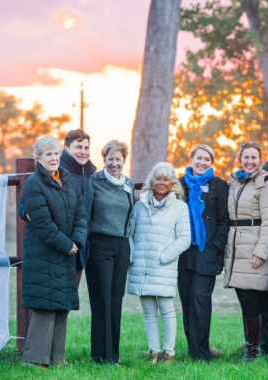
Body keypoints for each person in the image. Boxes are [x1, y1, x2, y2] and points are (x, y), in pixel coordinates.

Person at [19, 135, 87, 367]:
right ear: (38, 158)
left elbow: (80, 213)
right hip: (45, 251)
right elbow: (43, 224)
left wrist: (76, 239)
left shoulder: (67, 179)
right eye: (48, 154)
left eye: (56, 153)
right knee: (45, 306)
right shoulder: (34, 184)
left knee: (61, 306)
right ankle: (35, 359)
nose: (54, 158)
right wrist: (66, 244)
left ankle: (57, 358)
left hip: (67, 250)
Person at [127, 162, 191, 364]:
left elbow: (184, 238)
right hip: (141, 265)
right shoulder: (140, 205)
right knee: (148, 310)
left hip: (164, 265)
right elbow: (130, 232)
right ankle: (153, 352)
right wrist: (133, 255)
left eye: (166, 179)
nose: (161, 182)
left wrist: (164, 256)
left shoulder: (179, 207)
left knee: (166, 308)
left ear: (173, 183)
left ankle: (169, 353)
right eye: (158, 178)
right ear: (151, 181)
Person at [224, 142, 268, 362]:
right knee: (247, 302)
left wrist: (261, 251)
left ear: (260, 159)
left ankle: (253, 350)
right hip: (236, 247)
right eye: (246, 157)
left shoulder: (265, 182)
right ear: (240, 159)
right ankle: (256, 347)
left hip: (255, 247)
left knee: (253, 302)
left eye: (254, 157)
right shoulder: (235, 182)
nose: (249, 161)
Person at [178, 145, 229, 362]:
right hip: (183, 253)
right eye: (199, 158)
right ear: (191, 160)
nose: (202, 162)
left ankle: (202, 351)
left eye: (207, 159)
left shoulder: (218, 186)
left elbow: (224, 220)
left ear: (211, 162)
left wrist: (215, 246)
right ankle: (193, 348)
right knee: (187, 301)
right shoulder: (180, 184)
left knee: (200, 300)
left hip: (206, 252)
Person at [85, 140, 134, 364]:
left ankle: (113, 355)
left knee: (116, 300)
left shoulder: (129, 184)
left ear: (124, 160)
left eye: (119, 159)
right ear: (104, 159)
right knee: (101, 300)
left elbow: (131, 217)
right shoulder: (94, 180)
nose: (114, 163)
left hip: (122, 246)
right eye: (111, 159)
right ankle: (99, 355)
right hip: (99, 245)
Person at [60, 129, 97, 287]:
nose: (83, 152)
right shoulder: (56, 172)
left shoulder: (90, 175)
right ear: (67, 148)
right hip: (60, 247)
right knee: (51, 302)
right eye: (78, 147)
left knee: (68, 300)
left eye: (86, 148)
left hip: (80, 248)